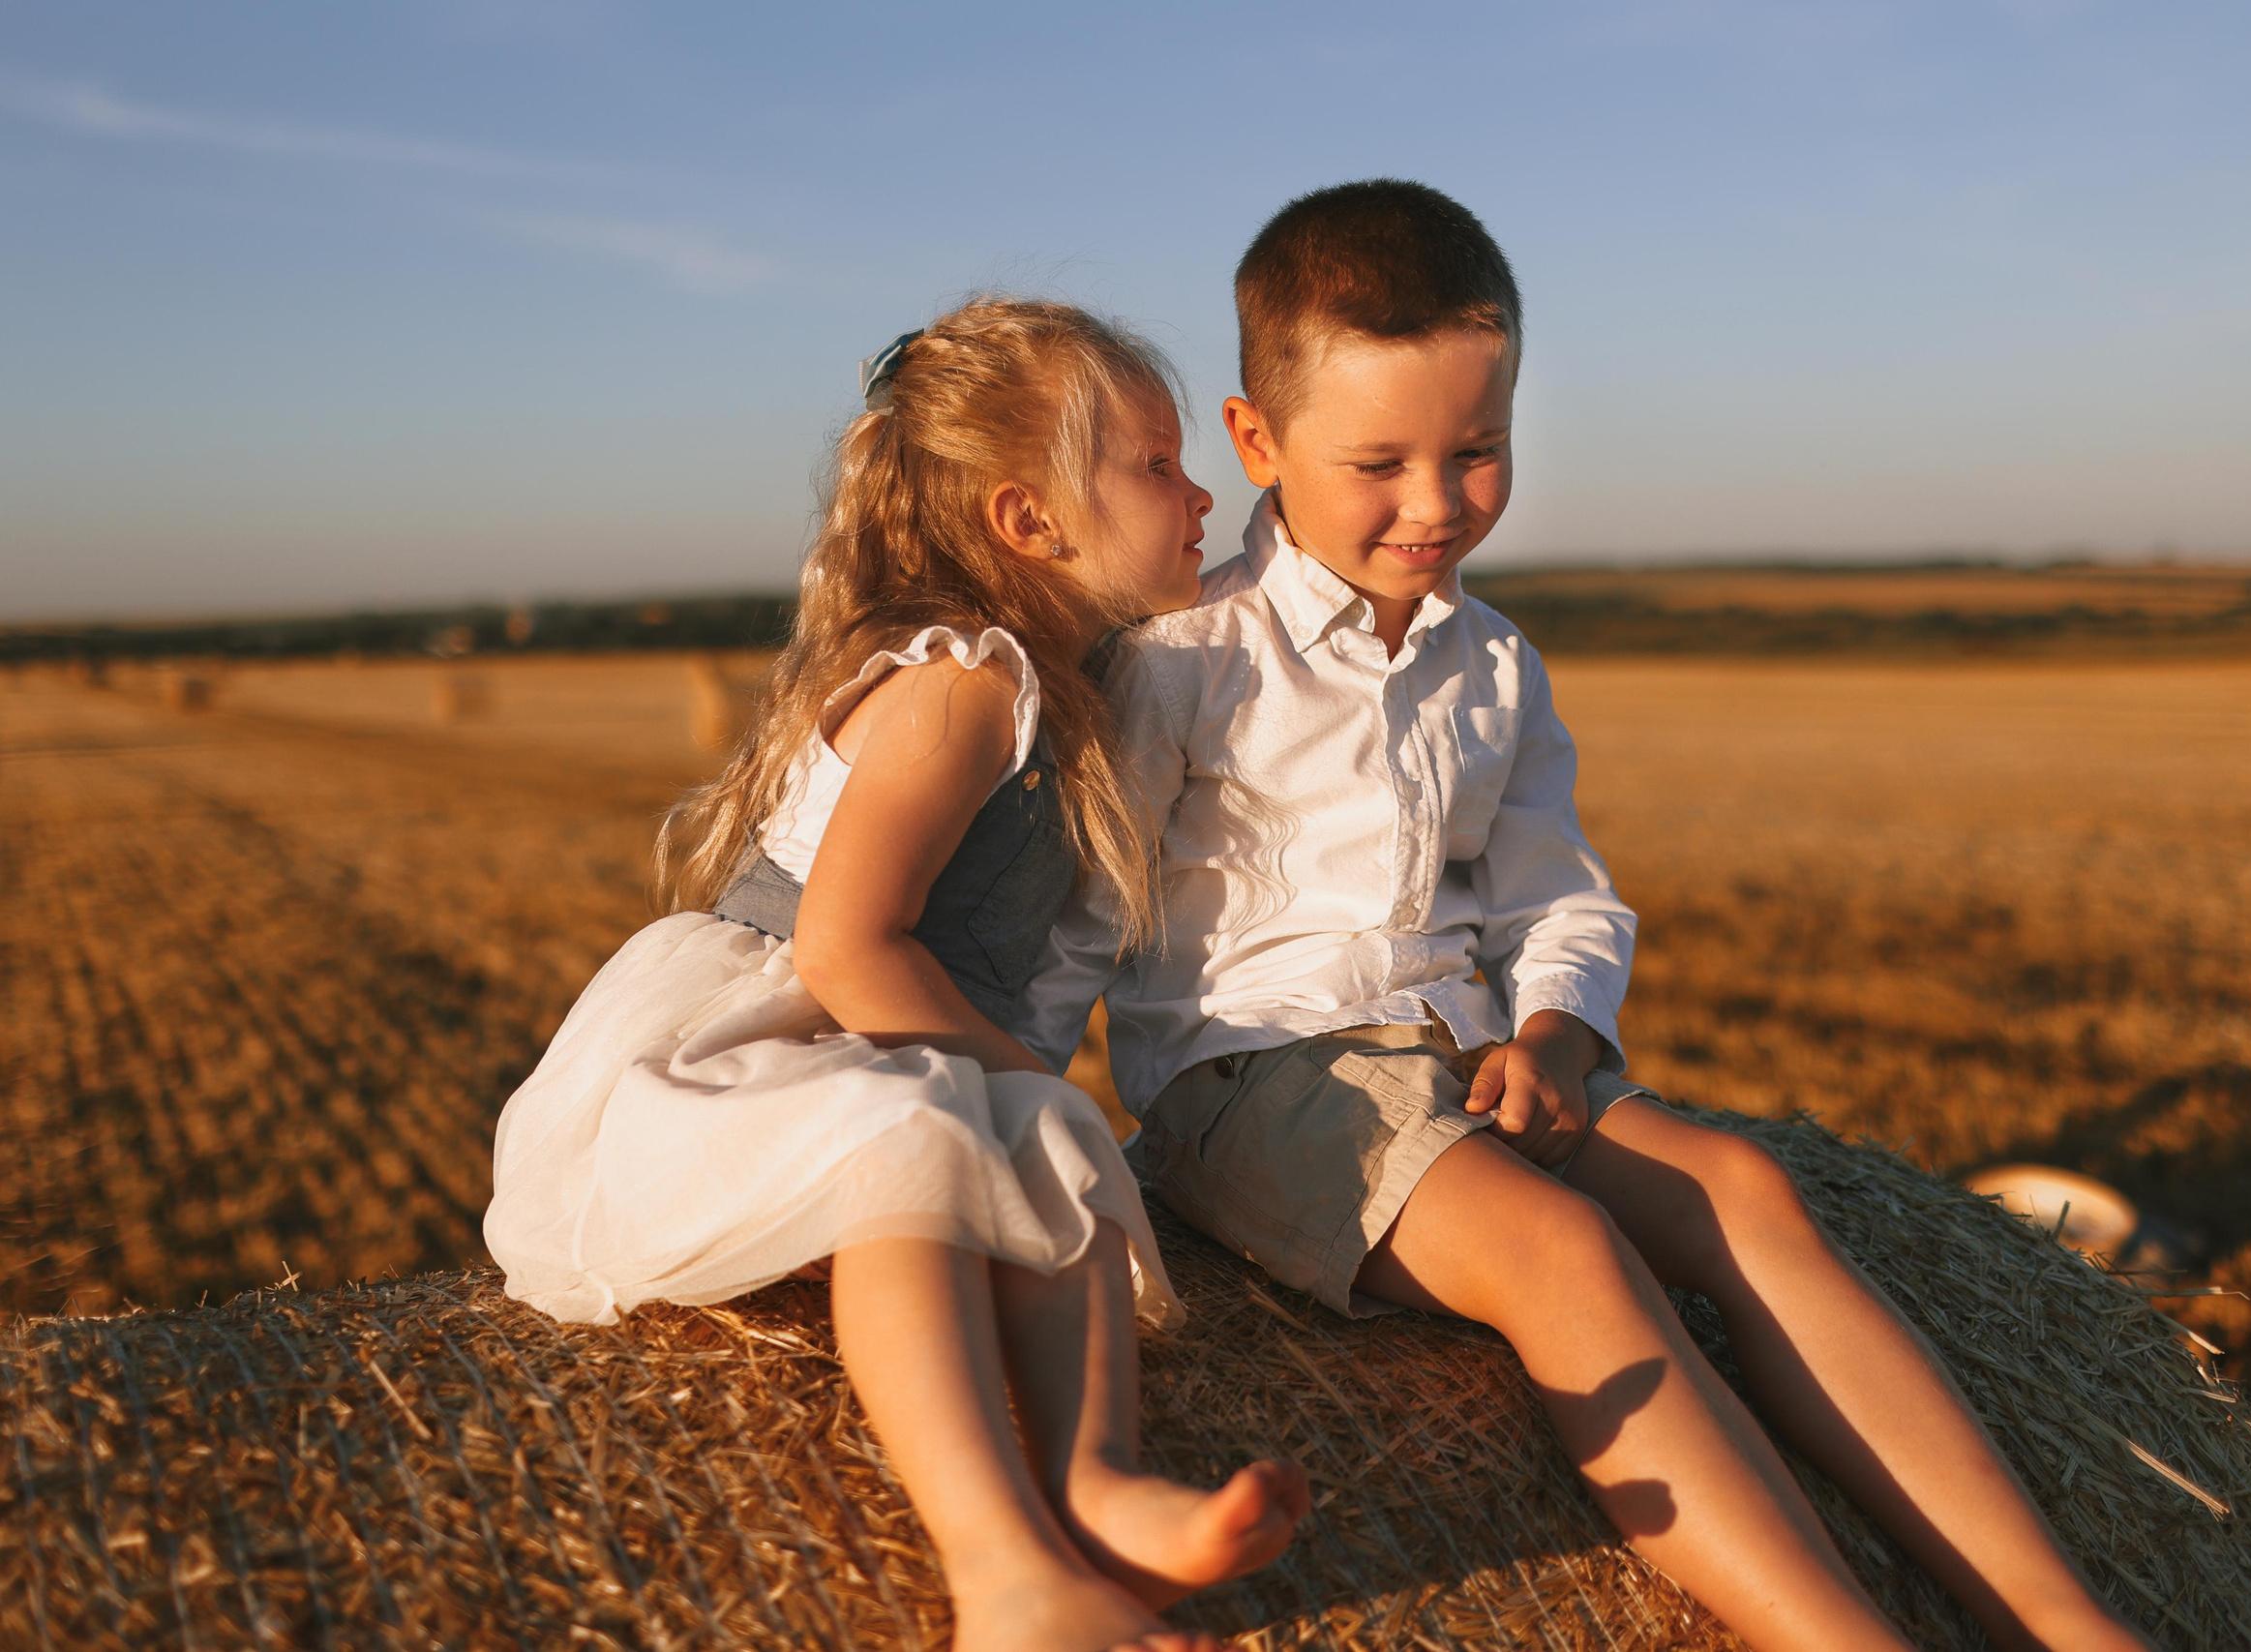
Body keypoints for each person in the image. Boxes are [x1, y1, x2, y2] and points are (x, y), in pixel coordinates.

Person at [1024, 184, 2156, 1652]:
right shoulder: (1182, 658)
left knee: (1746, 1194)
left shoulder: (1494, 666)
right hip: (1256, 1081)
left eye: (1477, 452)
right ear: (1257, 442)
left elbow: (1557, 890)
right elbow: (1079, 921)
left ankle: (2056, 1619)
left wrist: (1560, 1025)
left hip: (1473, 1051)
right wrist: (1002, 1138)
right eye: (1380, 462)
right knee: (1561, 1253)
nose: (1436, 505)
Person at [486, 298, 1307, 1652]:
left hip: (885, 1038)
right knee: (917, 1144)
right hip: (766, 1040)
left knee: (1043, 1137)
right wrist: (997, 1069)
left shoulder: (1069, 681)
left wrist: (1024, 1088)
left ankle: (1096, 1482)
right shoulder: (963, 687)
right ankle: (1001, 1573)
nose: (1200, 488)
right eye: (1157, 463)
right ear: (1027, 523)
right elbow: (843, 949)